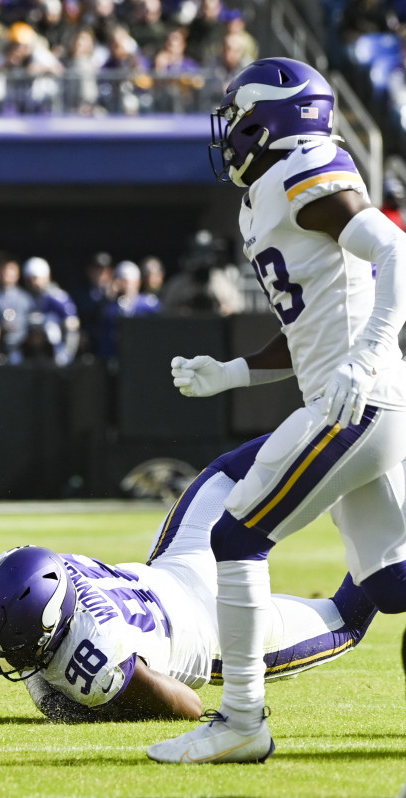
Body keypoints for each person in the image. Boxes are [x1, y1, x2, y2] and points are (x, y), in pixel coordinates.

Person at [148, 57, 406, 764]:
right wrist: (233, 372)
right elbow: (309, 325)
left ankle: (241, 722)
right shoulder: (265, 194)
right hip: (356, 395)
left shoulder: (304, 169)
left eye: (237, 116)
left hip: (357, 399)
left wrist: (364, 357)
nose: (228, 131)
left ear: (271, 118)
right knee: (393, 584)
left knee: (236, 536)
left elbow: (396, 252)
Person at [0, 434, 378, 724]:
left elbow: (188, 705)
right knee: (228, 471)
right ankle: (351, 433)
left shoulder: (92, 659)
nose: (12, 659)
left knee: (345, 620)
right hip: (178, 564)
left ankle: (367, 455)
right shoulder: (51, 565)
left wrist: (75, 702)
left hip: (213, 634)